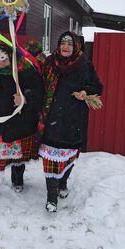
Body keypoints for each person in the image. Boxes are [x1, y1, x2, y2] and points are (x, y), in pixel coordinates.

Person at [38, 31, 103, 212]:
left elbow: (98, 87)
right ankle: (52, 198)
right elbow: (38, 81)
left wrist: (85, 91)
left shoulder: (85, 66)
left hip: (74, 119)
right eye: (63, 43)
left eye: (69, 44)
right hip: (51, 117)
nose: (65, 47)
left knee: (68, 157)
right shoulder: (50, 63)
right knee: (50, 159)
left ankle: (63, 183)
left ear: (75, 47)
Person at [0, 44, 43, 206]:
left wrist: (24, 99)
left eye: (4, 59)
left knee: (17, 156)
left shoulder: (24, 72)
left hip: (18, 124)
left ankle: (17, 180)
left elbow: (39, 93)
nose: (0, 63)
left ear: (11, 58)